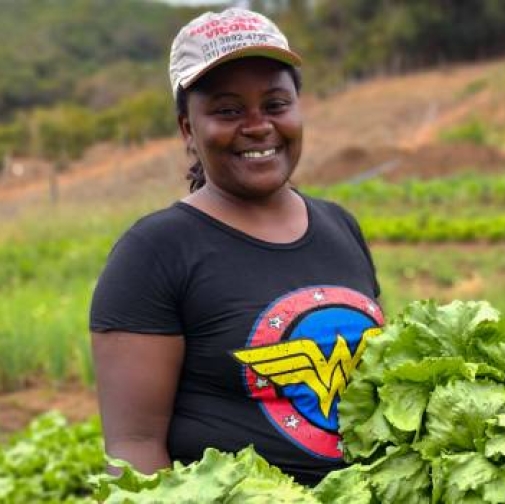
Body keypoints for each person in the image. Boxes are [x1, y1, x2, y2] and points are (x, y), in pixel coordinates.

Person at [90, 7, 383, 487]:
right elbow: (134, 448)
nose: (257, 125)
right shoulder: (153, 252)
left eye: (275, 104)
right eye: (228, 110)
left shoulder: (339, 226)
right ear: (188, 128)